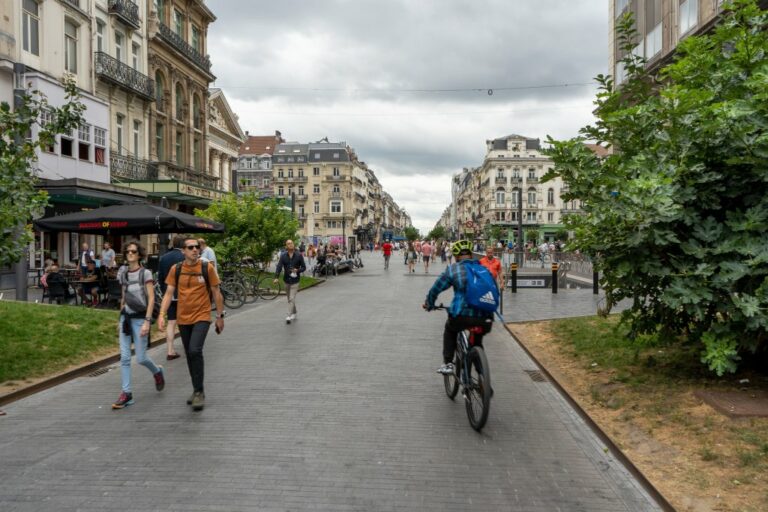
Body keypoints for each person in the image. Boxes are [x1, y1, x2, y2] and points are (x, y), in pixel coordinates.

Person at [159, 237, 225, 412]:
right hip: (183, 318)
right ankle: (197, 390)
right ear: (183, 251)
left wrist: (219, 316)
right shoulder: (177, 269)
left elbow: (217, 293)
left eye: (197, 247)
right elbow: (168, 294)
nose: (195, 250)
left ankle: (199, 392)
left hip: (202, 316)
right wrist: (161, 314)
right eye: (191, 247)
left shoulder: (206, 268)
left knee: (195, 350)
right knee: (189, 354)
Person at [423, 240, 494, 375]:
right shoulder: (483, 269)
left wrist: (429, 303)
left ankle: (448, 363)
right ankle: (483, 381)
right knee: (477, 344)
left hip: (462, 315)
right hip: (485, 317)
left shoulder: (453, 269)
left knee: (450, 329)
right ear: (471, 254)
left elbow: (436, 288)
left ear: (455, 256)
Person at [112, 241, 165, 409]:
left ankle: (157, 371)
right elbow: (124, 297)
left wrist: (147, 322)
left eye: (133, 252)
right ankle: (127, 393)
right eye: (127, 252)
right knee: (125, 358)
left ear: (139, 254)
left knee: (141, 358)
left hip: (141, 319)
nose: (130, 254)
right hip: (126, 318)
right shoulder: (123, 273)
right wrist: (119, 319)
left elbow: (151, 299)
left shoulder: (146, 273)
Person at [158, 235, 186, 360]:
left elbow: (160, 277)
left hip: (169, 295)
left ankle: (170, 350)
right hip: (183, 294)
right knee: (185, 322)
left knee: (171, 322)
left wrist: (165, 291)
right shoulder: (185, 256)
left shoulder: (164, 257)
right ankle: (189, 347)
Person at [274, 239, 306, 324]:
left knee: (291, 298)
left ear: (293, 244)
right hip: (286, 280)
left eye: (291, 243)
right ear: (286, 246)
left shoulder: (299, 255)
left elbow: (304, 267)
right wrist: (276, 277)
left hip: (295, 280)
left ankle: (288, 315)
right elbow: (279, 266)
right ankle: (294, 312)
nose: (290, 244)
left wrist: (297, 270)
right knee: (289, 299)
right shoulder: (283, 255)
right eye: (288, 244)